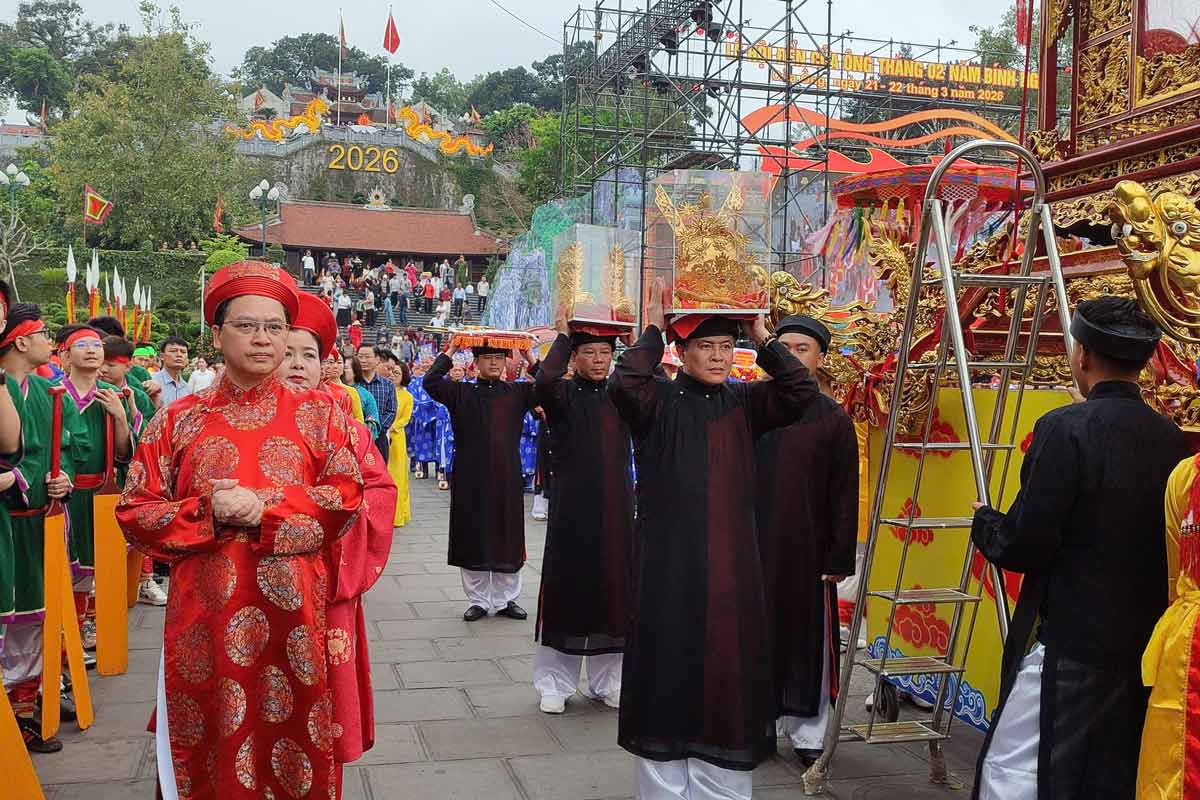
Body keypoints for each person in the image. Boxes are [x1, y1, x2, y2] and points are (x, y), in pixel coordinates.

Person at [116, 261, 364, 800]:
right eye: (247, 325)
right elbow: (135, 513)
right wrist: (208, 513)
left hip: (295, 620)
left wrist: (264, 511)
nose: (262, 339)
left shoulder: (323, 415)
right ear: (217, 333)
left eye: (275, 327)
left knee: (294, 740)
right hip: (204, 621)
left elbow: (346, 497)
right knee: (206, 750)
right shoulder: (177, 419)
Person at [970, 297, 1188, 800]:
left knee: (1015, 769)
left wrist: (987, 523)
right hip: (1146, 645)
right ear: (1148, 361)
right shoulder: (1174, 439)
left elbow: (1027, 544)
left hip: (1073, 644)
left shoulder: (1065, 428)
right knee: (1112, 774)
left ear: (1082, 355)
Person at [608, 279, 819, 799]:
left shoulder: (745, 404)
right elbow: (624, 382)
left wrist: (763, 337)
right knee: (665, 676)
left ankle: (720, 789)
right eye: (706, 346)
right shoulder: (657, 401)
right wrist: (657, 327)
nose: (720, 357)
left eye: (728, 347)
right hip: (668, 571)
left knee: (728, 683)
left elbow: (801, 391)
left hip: (732, 575)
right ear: (682, 352)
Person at [280, 291, 396, 791]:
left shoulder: (345, 425)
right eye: (288, 353)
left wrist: (327, 531)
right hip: (254, 585)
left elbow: (378, 490)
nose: (298, 365)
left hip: (327, 585)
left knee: (321, 705)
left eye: (310, 355)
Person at [753, 315, 858, 768]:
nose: (793, 357)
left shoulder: (833, 418)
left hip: (806, 550)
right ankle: (756, 723)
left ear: (821, 359)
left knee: (806, 640)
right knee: (753, 635)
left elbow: (844, 491)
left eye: (802, 350)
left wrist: (839, 553)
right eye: (785, 347)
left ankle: (807, 730)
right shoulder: (749, 405)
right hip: (751, 543)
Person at [532, 318, 633, 714]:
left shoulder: (622, 395)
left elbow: (647, 373)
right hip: (571, 513)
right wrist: (564, 336)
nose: (598, 360)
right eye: (588, 352)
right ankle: (554, 683)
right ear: (574, 358)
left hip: (617, 511)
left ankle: (607, 682)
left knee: (613, 595)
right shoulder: (561, 395)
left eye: (605, 353)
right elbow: (542, 381)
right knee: (566, 594)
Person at [0, 303, 81, 752]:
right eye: (43, 332)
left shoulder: (45, 390)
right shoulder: (7, 388)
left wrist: (61, 478)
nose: (50, 339)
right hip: (7, 519)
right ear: (21, 341)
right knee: (8, 619)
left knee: (34, 617)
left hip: (37, 522)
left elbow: (60, 449)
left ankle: (23, 711)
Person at [424, 338, 538, 621]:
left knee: (507, 534)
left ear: (507, 361)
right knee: (472, 535)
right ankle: (477, 600)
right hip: (470, 477)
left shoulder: (517, 392)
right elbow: (431, 381)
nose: (494, 362)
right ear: (476, 362)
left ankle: (505, 600)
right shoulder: (461, 393)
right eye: (487, 357)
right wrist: (450, 350)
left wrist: (529, 355)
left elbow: (549, 387)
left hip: (507, 477)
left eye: (500, 357)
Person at [54, 324, 136, 649]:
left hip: (101, 492)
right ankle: (68, 638)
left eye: (96, 346)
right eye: (82, 345)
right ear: (65, 355)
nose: (91, 350)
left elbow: (122, 454)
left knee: (97, 567)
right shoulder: (55, 393)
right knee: (67, 567)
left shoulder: (109, 395)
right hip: (65, 495)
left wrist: (119, 416)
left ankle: (89, 627)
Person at [100, 335, 165, 605]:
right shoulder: (95, 389)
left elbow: (150, 432)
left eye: (111, 364)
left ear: (127, 366)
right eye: (102, 363)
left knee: (138, 523)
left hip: (133, 471)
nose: (104, 369)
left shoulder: (137, 393)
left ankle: (145, 580)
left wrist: (132, 413)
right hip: (101, 475)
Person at [386, 356, 413, 527]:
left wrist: (392, 427)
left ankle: (398, 515)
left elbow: (405, 419)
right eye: (392, 372)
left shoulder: (407, 396)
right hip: (384, 434)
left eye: (397, 372)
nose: (393, 375)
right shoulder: (386, 390)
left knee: (397, 475)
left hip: (397, 437)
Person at [358, 345, 396, 462]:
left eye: (367, 357)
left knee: (380, 475)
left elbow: (391, 411)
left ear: (377, 360)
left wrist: (376, 428)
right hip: (357, 438)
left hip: (380, 438)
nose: (363, 360)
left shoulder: (387, 384)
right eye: (360, 357)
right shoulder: (353, 383)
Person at [151, 335, 191, 406]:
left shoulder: (187, 389)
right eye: (173, 351)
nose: (179, 355)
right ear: (162, 356)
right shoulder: (151, 381)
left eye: (183, 352)